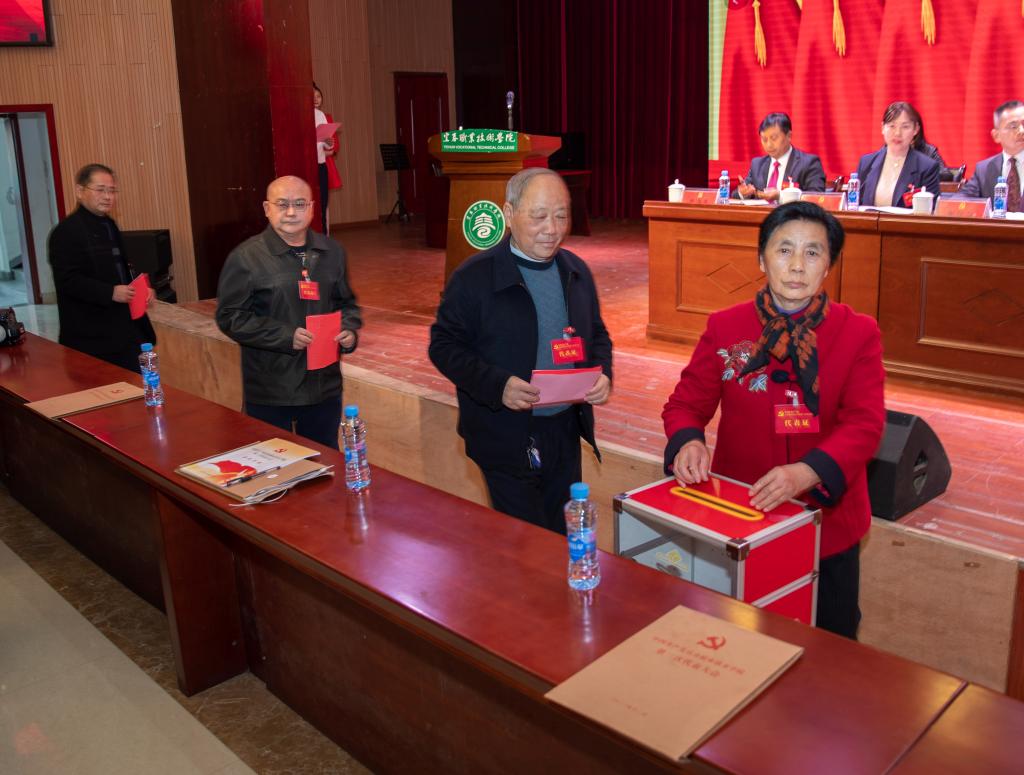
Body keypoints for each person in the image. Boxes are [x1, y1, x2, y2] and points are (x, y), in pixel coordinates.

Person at [662, 201, 885, 639]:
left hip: (828, 520)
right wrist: (688, 440)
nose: (797, 265)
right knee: (739, 635)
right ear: (761, 259)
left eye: (813, 252)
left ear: (829, 266)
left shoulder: (858, 332)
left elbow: (865, 425)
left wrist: (808, 472)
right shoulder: (726, 327)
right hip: (742, 511)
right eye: (784, 250)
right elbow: (685, 404)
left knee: (829, 640)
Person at [429, 168, 613, 535]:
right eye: (539, 216)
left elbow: (597, 334)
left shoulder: (575, 271)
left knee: (562, 536)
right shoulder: (475, 277)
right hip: (505, 434)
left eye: (561, 215)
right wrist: (497, 385)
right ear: (509, 214)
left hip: (563, 430)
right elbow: (444, 346)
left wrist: (603, 372)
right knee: (525, 544)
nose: (552, 228)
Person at [216, 175, 362, 450]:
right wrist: (284, 336)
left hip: (324, 385)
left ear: (312, 208)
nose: (292, 212)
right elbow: (230, 316)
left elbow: (347, 304)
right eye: (282, 204)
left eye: (300, 204)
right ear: (267, 208)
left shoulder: (332, 252)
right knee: (274, 465)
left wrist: (349, 330)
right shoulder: (246, 257)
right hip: (272, 387)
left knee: (324, 459)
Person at [48, 163, 156, 372]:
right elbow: (67, 280)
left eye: (112, 191)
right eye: (100, 190)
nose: (107, 197)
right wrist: (110, 292)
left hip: (123, 328)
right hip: (90, 335)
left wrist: (141, 289)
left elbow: (121, 267)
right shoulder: (65, 231)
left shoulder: (109, 224)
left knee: (136, 384)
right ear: (80, 191)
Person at [856, 101, 941, 208]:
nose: (897, 133)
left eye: (905, 127)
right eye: (892, 126)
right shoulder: (866, 163)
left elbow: (930, 210)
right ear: (882, 128)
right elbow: (855, 204)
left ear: (916, 129)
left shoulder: (927, 167)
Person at [735, 113, 826, 202]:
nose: (769, 145)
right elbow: (736, 195)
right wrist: (743, 193)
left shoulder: (809, 163)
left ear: (789, 136)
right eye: (764, 139)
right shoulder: (757, 164)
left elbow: (817, 198)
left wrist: (780, 196)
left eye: (774, 138)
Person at [959, 100, 1024, 209]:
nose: (1022, 131)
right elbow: (962, 200)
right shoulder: (984, 169)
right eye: (1013, 127)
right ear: (996, 136)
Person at [313, 83, 339, 234]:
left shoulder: (321, 115)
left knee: (323, 205)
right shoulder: (301, 114)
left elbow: (327, 145)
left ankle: (323, 240)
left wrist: (329, 142)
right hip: (308, 167)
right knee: (310, 206)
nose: (316, 99)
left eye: (318, 96)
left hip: (321, 164)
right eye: (312, 96)